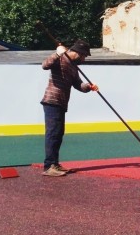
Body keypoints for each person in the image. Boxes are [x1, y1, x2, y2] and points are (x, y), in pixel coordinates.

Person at [40, 40, 97, 177]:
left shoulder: (73, 66)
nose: (83, 59)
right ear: (78, 52)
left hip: (61, 103)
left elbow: (78, 85)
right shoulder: (60, 59)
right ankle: (49, 166)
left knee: (58, 135)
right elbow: (45, 65)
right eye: (84, 56)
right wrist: (57, 53)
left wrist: (89, 87)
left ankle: (55, 164)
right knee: (53, 134)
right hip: (52, 101)